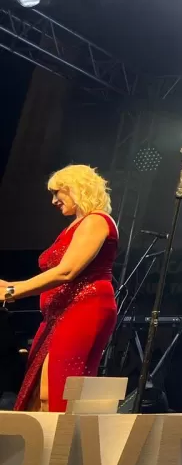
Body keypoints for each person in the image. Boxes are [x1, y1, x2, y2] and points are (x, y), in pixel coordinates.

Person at [0, 165, 118, 412]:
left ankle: (63, 437)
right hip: (58, 313)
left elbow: (67, 271)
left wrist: (13, 291)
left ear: (77, 188)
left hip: (84, 308)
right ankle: (46, 437)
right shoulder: (73, 226)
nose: (54, 201)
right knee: (40, 392)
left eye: (57, 192)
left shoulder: (96, 220)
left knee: (57, 390)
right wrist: (11, 286)